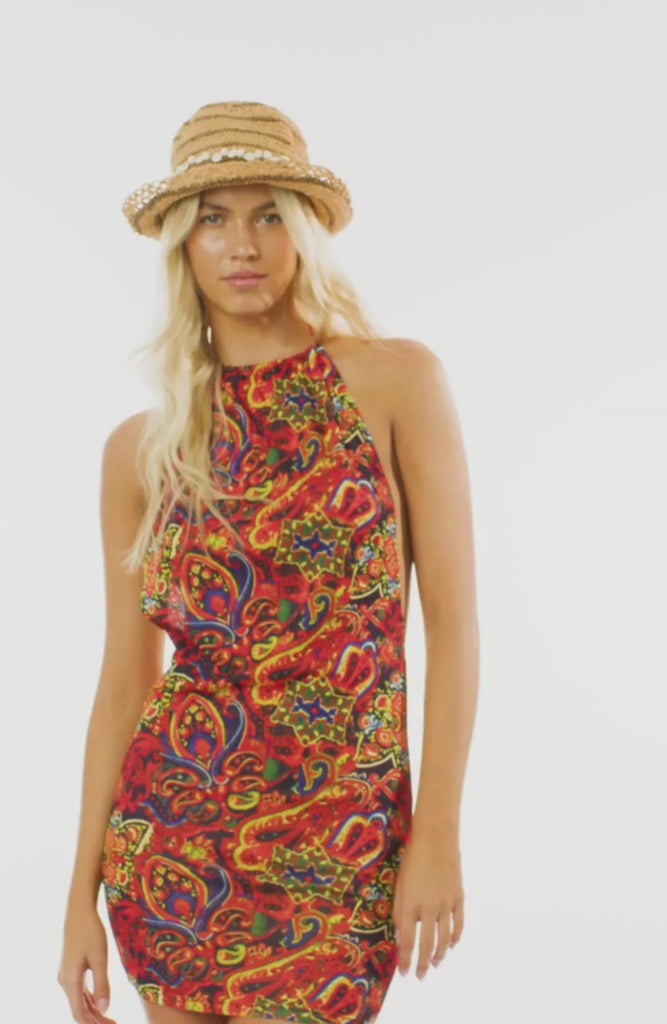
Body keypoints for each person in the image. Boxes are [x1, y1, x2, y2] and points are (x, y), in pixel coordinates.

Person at [57, 100, 479, 1024]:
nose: (241, 244)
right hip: (173, 846)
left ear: (304, 232)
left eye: (268, 215)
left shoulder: (394, 381)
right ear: (182, 245)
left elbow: (451, 626)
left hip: (346, 847)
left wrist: (437, 833)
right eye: (213, 218)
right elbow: (125, 683)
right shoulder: (142, 450)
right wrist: (78, 895)